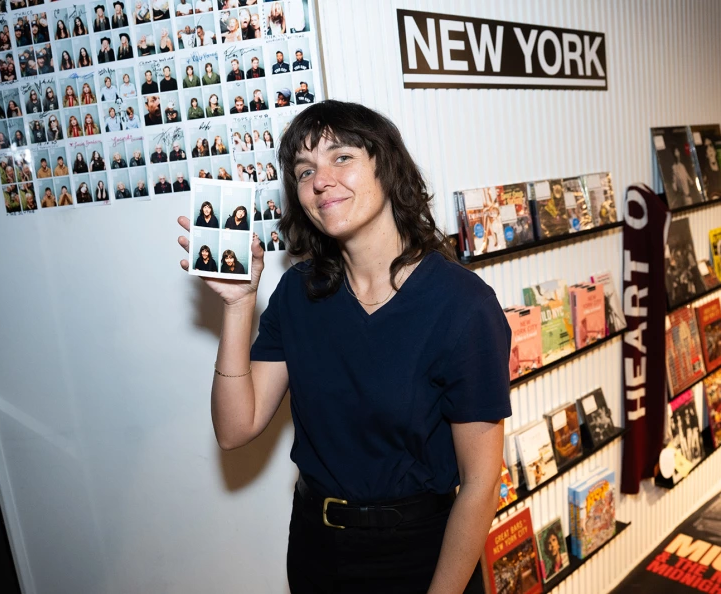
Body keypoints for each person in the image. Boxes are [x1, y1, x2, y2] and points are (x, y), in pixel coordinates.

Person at [175, 100, 510, 593]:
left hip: (421, 556)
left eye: (342, 157)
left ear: (385, 166)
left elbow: (481, 483)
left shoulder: (462, 305)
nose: (320, 179)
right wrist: (239, 303)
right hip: (318, 550)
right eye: (304, 169)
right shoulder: (298, 292)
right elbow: (234, 429)